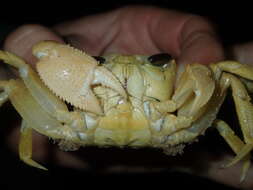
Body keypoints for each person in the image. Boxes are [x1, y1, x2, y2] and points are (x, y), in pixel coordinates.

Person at [2, 5, 253, 189]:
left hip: (175, 126)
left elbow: (221, 78)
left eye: (158, 63)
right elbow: (19, 73)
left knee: (224, 74)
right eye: (98, 65)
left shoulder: (186, 112)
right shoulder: (60, 117)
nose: (124, 79)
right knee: (17, 76)